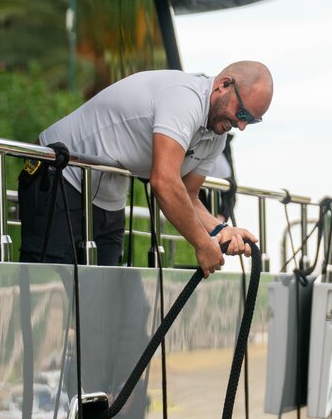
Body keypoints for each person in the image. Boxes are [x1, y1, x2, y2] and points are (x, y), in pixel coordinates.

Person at [17, 61, 272, 276]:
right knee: (47, 294)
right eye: (241, 112)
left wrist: (220, 231)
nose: (241, 126)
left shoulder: (217, 134)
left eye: (252, 120)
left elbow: (189, 194)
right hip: (58, 172)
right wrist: (202, 244)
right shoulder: (185, 98)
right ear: (224, 84)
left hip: (107, 192)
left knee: (106, 302)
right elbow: (164, 182)